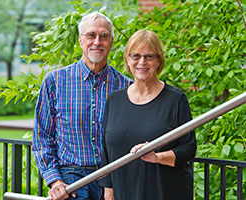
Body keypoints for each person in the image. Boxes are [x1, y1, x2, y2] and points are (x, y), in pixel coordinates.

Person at [32, 12, 132, 200]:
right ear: (80, 40)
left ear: (111, 41)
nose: (97, 42)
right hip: (71, 181)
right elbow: (42, 137)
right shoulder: (55, 81)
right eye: (91, 35)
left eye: (103, 36)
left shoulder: (127, 87)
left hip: (114, 178)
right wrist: (55, 181)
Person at [99, 30, 197, 200]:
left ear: (159, 60)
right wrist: (108, 193)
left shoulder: (175, 100)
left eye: (149, 57)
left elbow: (188, 149)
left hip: (165, 193)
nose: (142, 62)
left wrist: (156, 156)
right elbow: (107, 154)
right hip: (123, 194)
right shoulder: (114, 101)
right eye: (135, 56)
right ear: (128, 60)